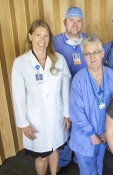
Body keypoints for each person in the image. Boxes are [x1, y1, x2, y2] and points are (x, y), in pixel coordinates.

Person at [11, 19, 71, 175]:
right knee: (42, 156)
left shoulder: (59, 60)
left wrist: (67, 114)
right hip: (36, 119)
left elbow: (65, 89)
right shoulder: (21, 63)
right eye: (38, 35)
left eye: (45, 36)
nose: (42, 40)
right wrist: (23, 123)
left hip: (57, 116)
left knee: (55, 149)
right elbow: (18, 96)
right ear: (30, 36)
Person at [69, 34, 113, 175]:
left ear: (102, 53)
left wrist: (109, 130)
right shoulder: (78, 80)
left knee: (105, 168)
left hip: (107, 134)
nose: (92, 57)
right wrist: (91, 134)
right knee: (88, 171)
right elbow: (76, 111)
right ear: (83, 56)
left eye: (95, 52)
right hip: (85, 137)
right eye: (87, 54)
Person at [53, 6, 87, 170]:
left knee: (81, 126)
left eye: (78, 20)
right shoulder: (54, 42)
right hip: (62, 94)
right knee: (64, 127)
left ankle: (79, 157)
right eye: (71, 20)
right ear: (64, 22)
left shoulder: (89, 40)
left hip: (83, 95)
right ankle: (63, 160)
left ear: (82, 23)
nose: (75, 24)